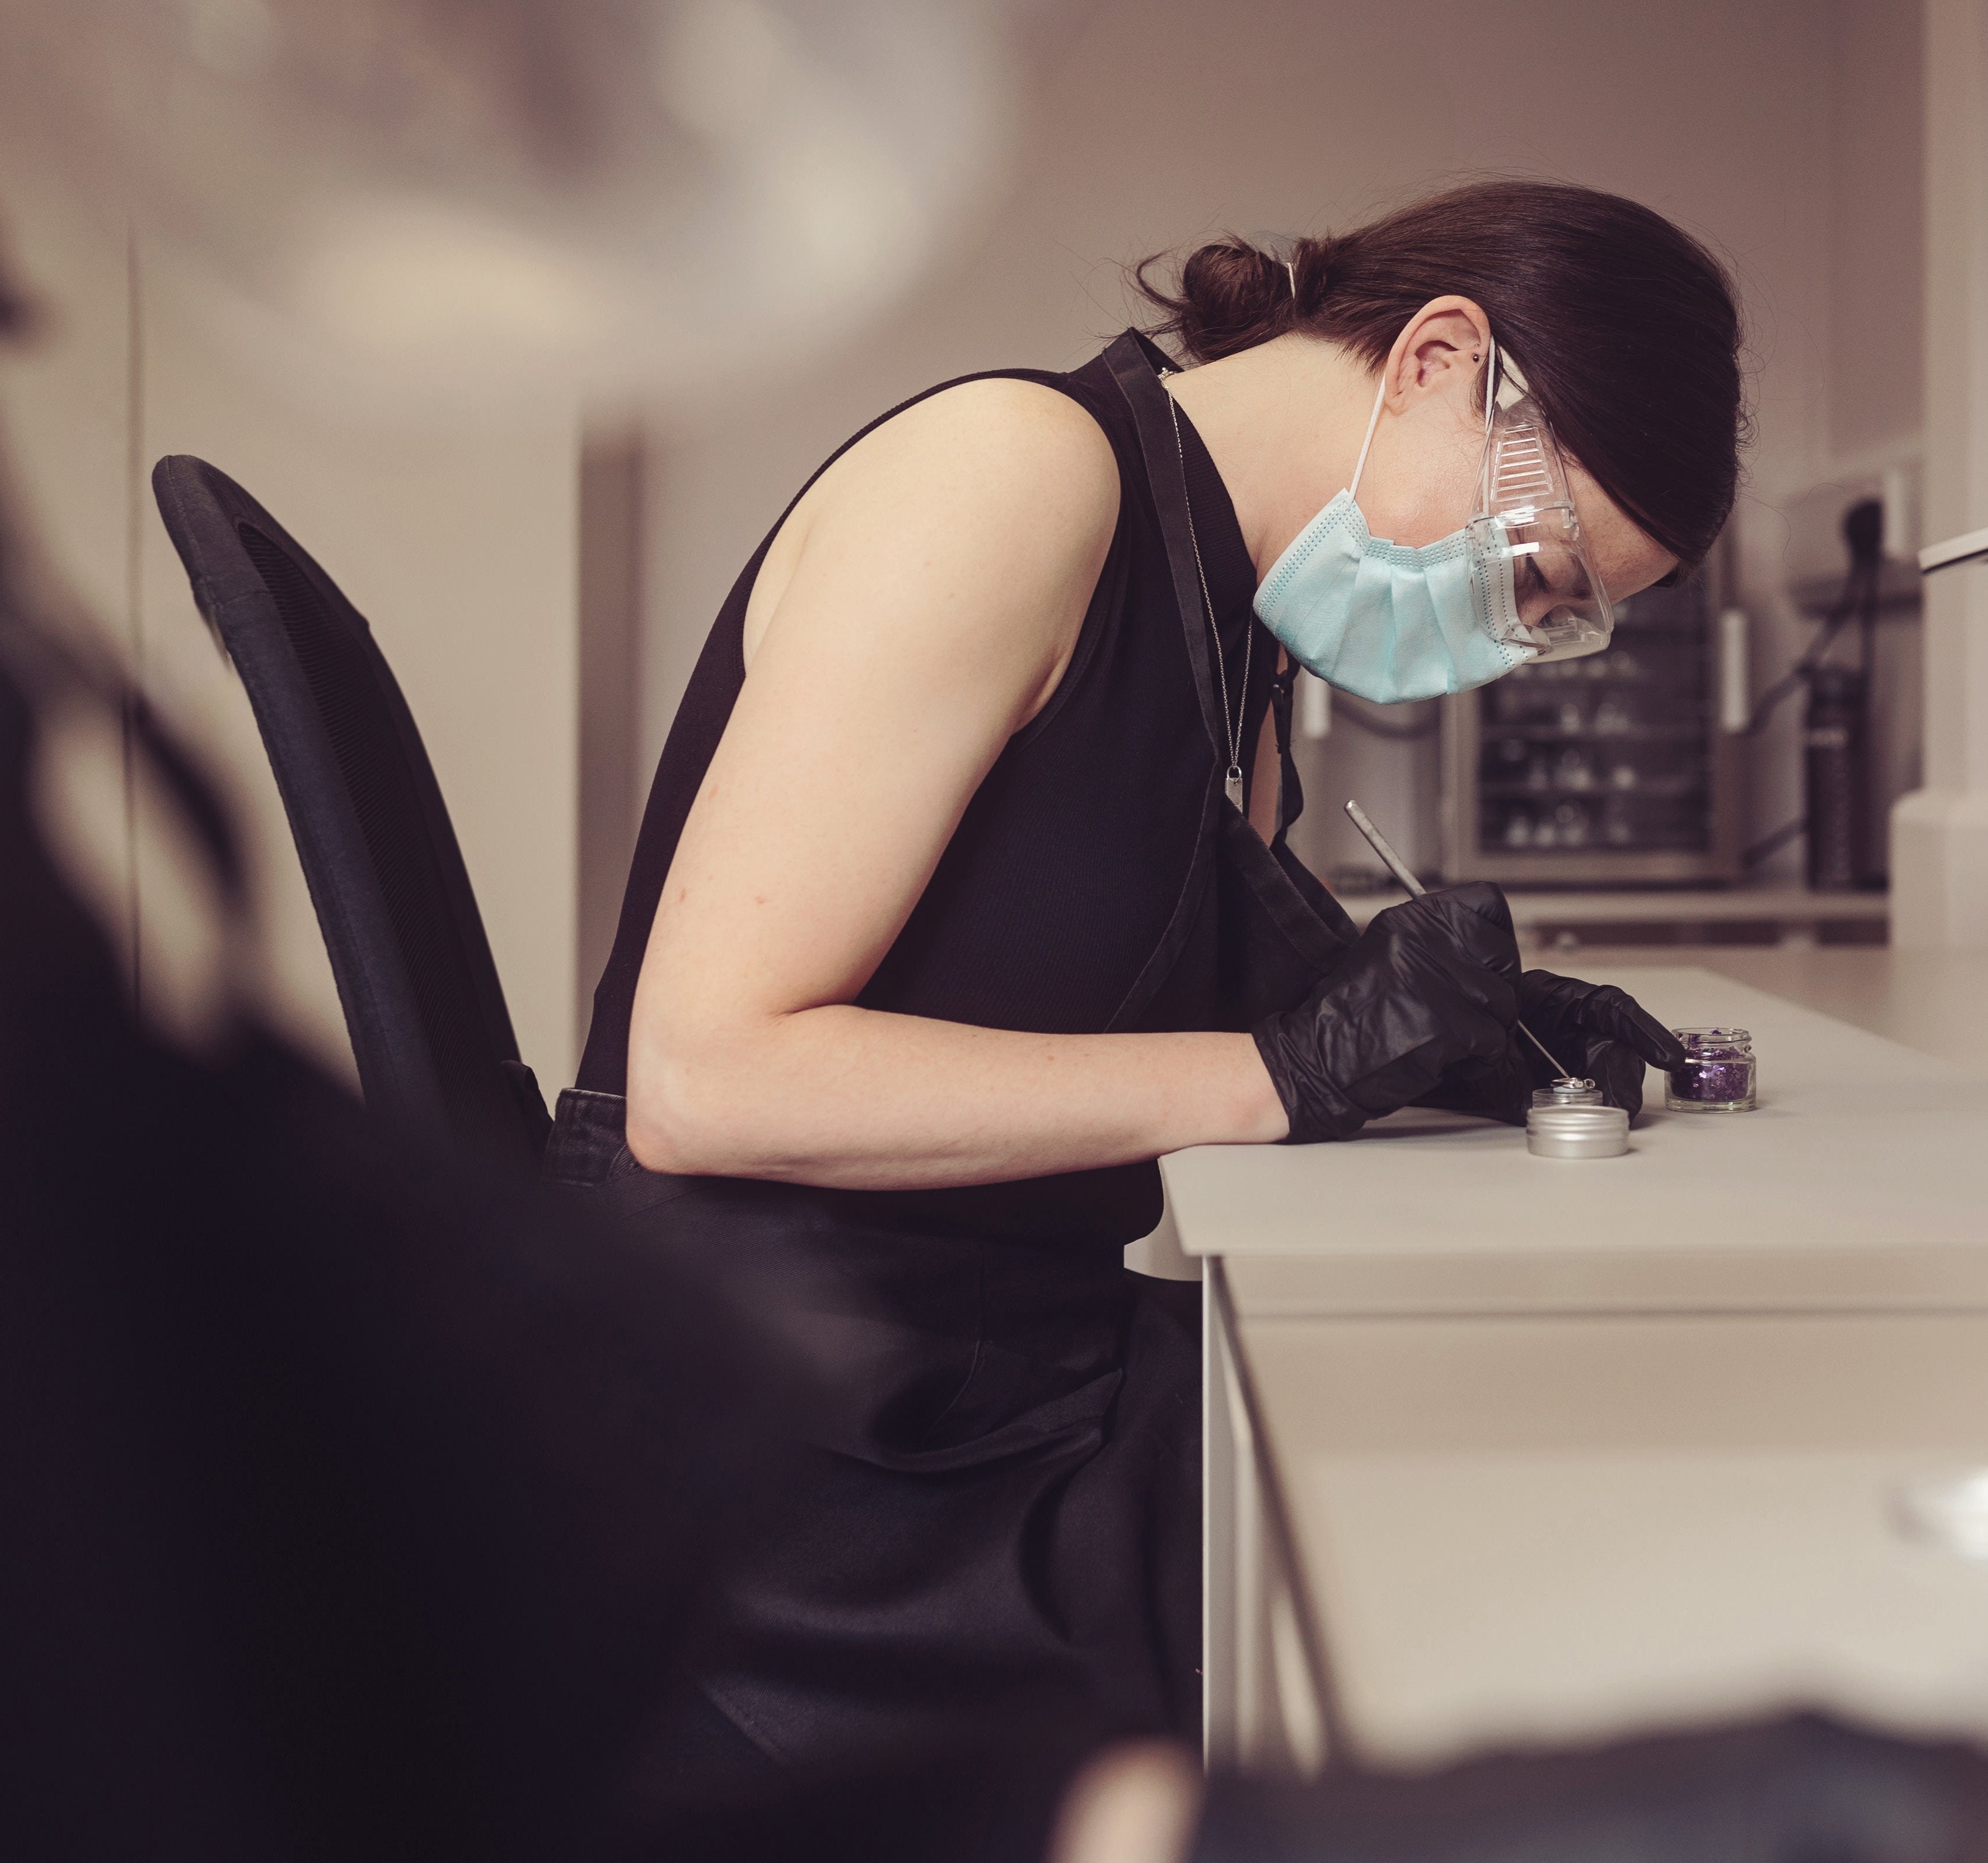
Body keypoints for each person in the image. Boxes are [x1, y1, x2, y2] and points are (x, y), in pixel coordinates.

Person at [546, 178, 1741, 1776]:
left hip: (998, 1358)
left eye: (1556, 625)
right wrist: (1298, 1071)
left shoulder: (1233, 617)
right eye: (1539, 573)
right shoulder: (1014, 480)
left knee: (1504, 1477)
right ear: (1444, 360)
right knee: (1446, 1594)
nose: (1512, 636)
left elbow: (1139, 956)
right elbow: (708, 1084)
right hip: (786, 1429)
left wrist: (1463, 1043)